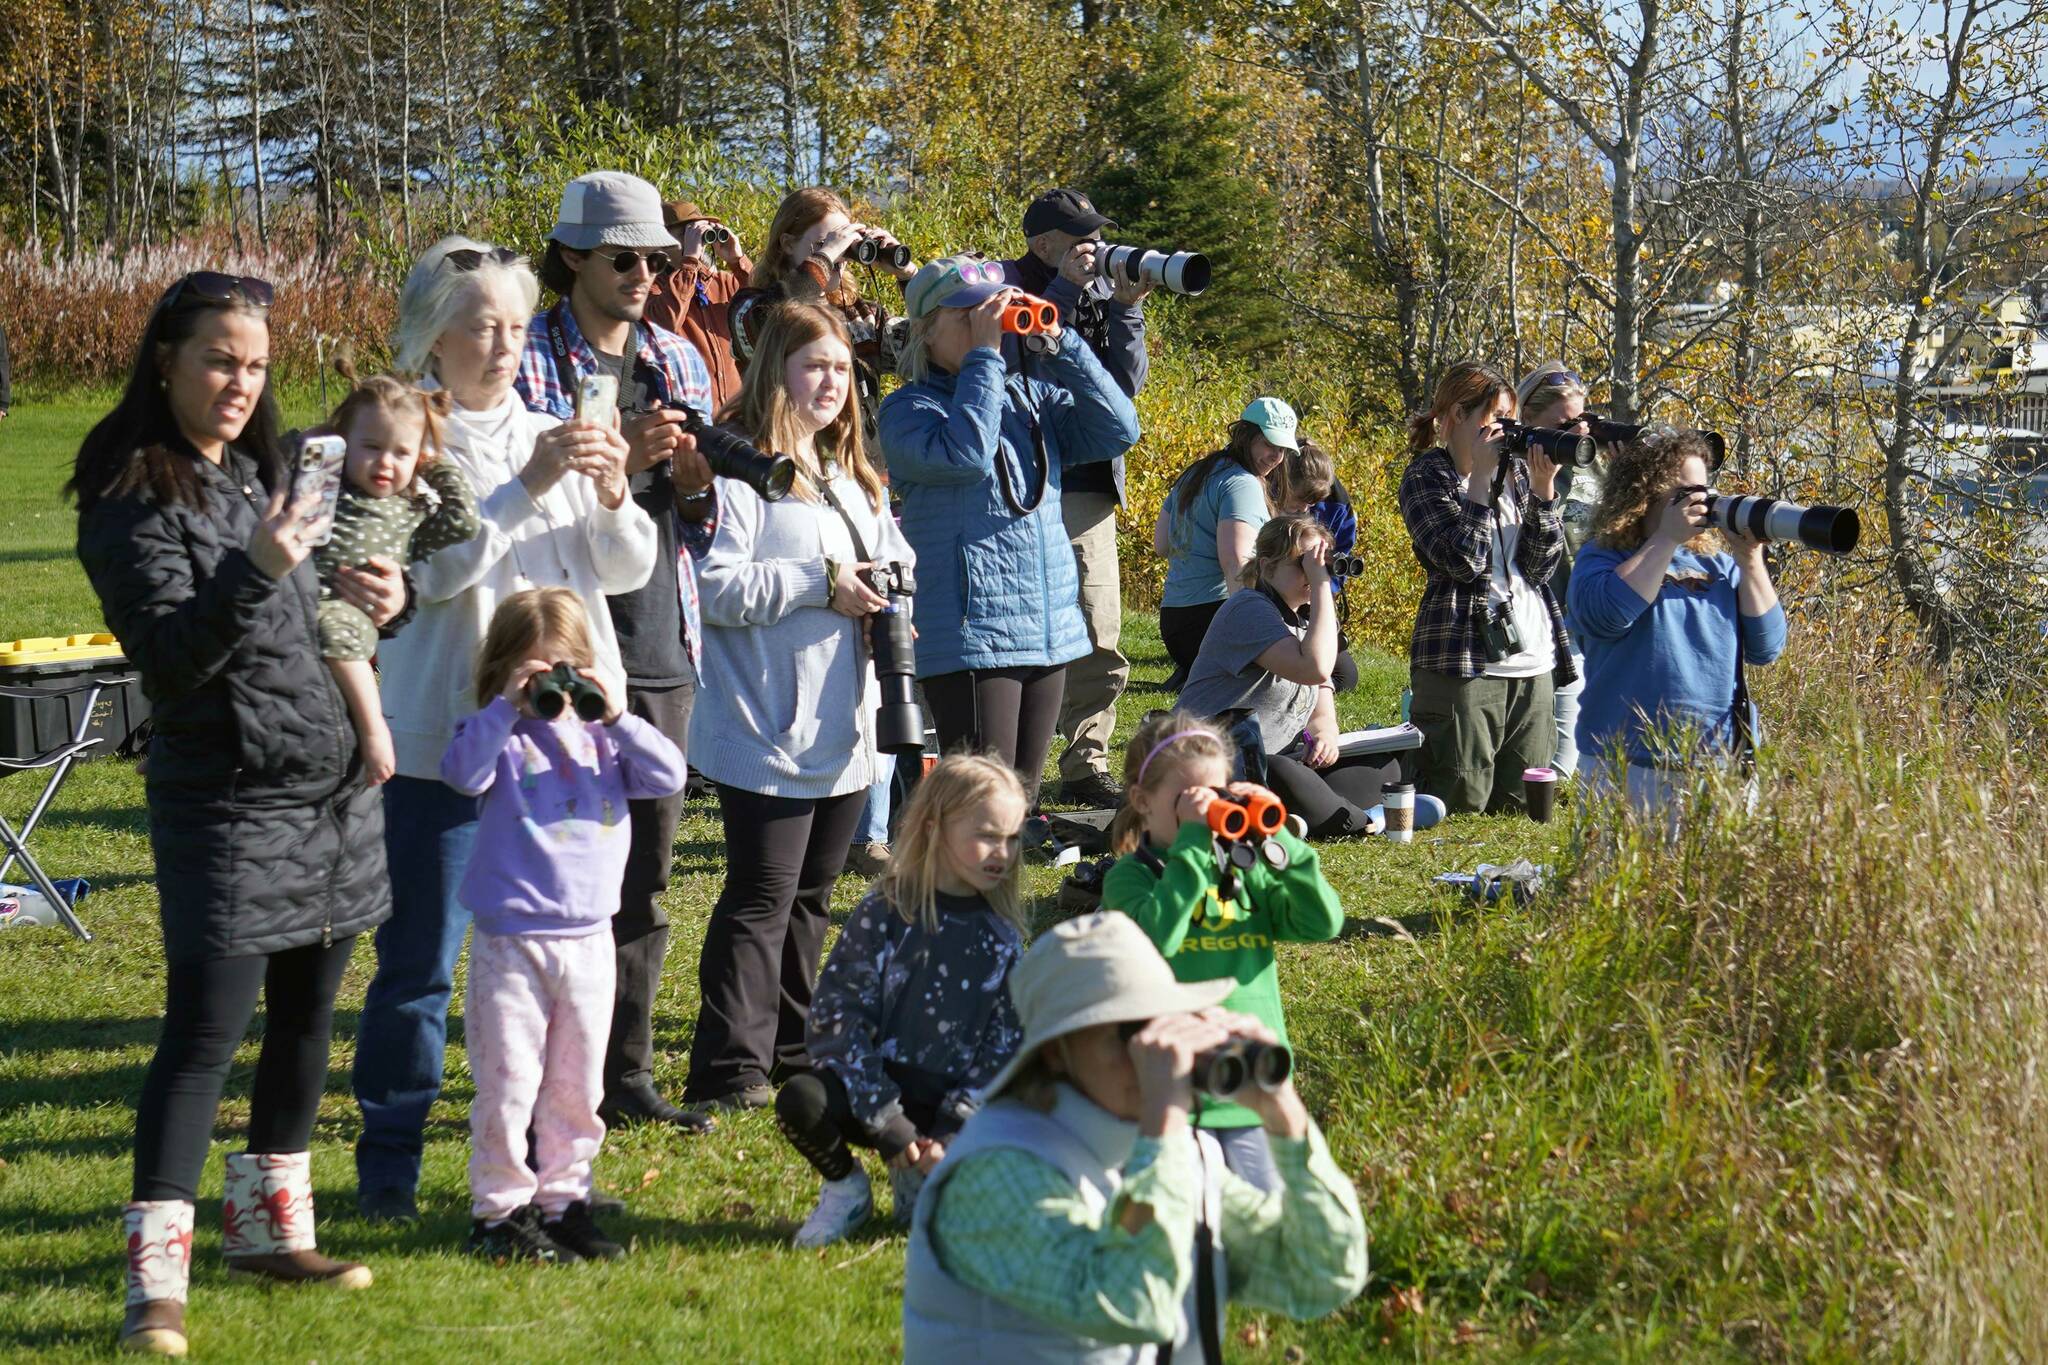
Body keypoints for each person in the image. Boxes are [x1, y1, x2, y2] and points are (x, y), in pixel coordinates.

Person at [71, 271, 404, 1355]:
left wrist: (370, 606)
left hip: (329, 786)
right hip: (225, 795)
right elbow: (169, 664)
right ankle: (152, 1289)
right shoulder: (131, 493)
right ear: (164, 356)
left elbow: (315, 621)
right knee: (205, 1034)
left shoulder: (263, 470)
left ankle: (268, 1236)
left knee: (309, 1019)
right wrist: (263, 565)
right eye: (219, 358)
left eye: (255, 365)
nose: (238, 382)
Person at [354, 236, 660, 1223]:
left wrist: (611, 494)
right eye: (479, 322)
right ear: (429, 334)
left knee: (566, 965)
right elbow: (428, 575)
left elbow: (622, 571)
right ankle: (390, 1167)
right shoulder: (412, 439)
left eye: (515, 325)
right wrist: (526, 485)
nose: (500, 342)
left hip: (567, 746)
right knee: (423, 966)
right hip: (449, 738)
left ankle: (549, 1176)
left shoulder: (555, 429)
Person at [901, 912, 1369, 1361]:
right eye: (1127, 1031)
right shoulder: (993, 1172)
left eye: (1162, 1024)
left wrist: (1283, 1115)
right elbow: (1132, 1302)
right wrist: (1164, 1119)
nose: (1152, 1052)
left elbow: (1318, 1277)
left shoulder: (1174, 1153)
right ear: (1056, 1053)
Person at [517, 171, 724, 1137]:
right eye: (624, 258)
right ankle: (539, 1079)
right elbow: (516, 499)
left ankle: (624, 1074)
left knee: (645, 877)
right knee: (556, 873)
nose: (646, 273)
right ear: (572, 259)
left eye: (658, 259)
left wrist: (688, 483)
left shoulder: (680, 360)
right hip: (557, 643)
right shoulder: (523, 359)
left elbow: (707, 529)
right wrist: (625, 459)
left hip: (661, 643)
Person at [682, 302, 915, 1112]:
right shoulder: (742, 467)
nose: (829, 382)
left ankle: (791, 1050)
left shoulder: (850, 473)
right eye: (814, 365)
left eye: (841, 368)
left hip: (846, 719)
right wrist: (819, 583)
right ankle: (726, 1070)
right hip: (763, 719)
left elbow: (895, 556)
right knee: (761, 894)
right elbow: (710, 585)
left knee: (813, 896)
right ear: (776, 365)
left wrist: (889, 579)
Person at [442, 588, 689, 1264]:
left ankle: (563, 1202)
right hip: (512, 940)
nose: (553, 686)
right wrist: (505, 705)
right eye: (536, 672)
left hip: (589, 937)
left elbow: (668, 775)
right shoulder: (495, 734)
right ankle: (498, 1213)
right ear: (505, 668)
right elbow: (461, 777)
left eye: (564, 671)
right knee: (509, 1080)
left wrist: (615, 712)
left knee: (579, 1085)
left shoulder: (605, 739)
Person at [879, 254, 1141, 808]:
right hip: (974, 636)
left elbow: (1119, 429)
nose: (989, 324)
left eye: (993, 312)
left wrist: (1061, 344)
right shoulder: (907, 410)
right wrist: (985, 358)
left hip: (1045, 629)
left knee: (1018, 804)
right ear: (926, 331)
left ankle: (994, 897)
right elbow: (969, 455)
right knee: (980, 802)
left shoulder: (1027, 398)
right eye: (969, 316)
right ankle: (945, 892)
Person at [775, 754, 1029, 1247]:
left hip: (956, 1110)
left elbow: (1005, 1048)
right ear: (934, 828)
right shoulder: (884, 913)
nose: (1002, 852)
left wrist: (953, 1128)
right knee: (801, 1100)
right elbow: (837, 1018)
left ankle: (932, 1180)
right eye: (986, 835)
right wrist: (886, 1119)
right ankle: (846, 1189)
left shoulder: (1002, 937)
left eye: (1013, 838)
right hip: (880, 1091)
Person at [1098, 713, 1343, 1190]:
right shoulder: (1130, 879)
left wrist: (1283, 845)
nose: (1208, 814)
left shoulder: (1244, 868)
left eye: (1220, 795)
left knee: (1265, 1219)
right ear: (1142, 802)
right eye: (1191, 802)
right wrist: (1192, 845)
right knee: (1181, 1222)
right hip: (1171, 1094)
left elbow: (1323, 923)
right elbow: (1157, 941)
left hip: (1253, 1086)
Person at [1003, 187, 1152, 807]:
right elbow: (1024, 365)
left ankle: (1086, 760)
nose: (1094, 248)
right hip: (1029, 480)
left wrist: (1125, 309)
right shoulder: (1006, 288)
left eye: (1096, 236)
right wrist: (1062, 291)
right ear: (1044, 245)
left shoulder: (1099, 293)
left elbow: (1125, 388)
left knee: (1099, 627)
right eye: (1080, 239)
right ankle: (1013, 768)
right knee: (1024, 629)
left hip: (1091, 483)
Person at [1568, 427, 1786, 828]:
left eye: (1704, 489)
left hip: (1716, 761)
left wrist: (1751, 560)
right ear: (1643, 493)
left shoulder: (1720, 568)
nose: (1701, 502)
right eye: (1686, 492)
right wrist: (1666, 539)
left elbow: (1767, 645)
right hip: (1625, 761)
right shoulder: (1601, 558)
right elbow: (1606, 615)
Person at [1179, 515, 1438, 837]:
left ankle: (1304, 818)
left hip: (1285, 759)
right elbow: (1312, 668)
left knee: (1381, 764)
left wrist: (1325, 734)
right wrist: (1320, 587)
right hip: (1214, 760)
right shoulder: (1247, 608)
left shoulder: (1305, 621)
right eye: (1303, 563)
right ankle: (1368, 819)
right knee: (1280, 771)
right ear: (1266, 566)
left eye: (1320, 564)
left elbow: (1321, 703)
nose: (1314, 573)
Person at [1397, 360, 1573, 816]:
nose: (1504, 433)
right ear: (1457, 414)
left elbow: (1539, 566)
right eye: (1494, 419)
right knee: (1458, 805)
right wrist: (1478, 480)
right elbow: (1461, 561)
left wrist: (1543, 489)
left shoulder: (1516, 476)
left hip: (1532, 663)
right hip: (1462, 666)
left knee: (1525, 813)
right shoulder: (1426, 476)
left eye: (1508, 421)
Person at [312, 372, 482, 784]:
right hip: (288, 605)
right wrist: (320, 441)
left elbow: (463, 520)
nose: (385, 462)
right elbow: (277, 468)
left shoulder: (410, 515)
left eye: (401, 453)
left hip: (341, 618)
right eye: (371, 447)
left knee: (337, 625)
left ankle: (373, 731)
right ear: (346, 442)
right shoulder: (325, 485)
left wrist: (435, 464)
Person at [728, 186, 917, 434]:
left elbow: (934, 347)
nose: (840, 256)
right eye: (823, 243)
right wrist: (825, 256)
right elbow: (770, 321)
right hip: (789, 459)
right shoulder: (750, 307)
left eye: (845, 246)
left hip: (856, 466)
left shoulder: (861, 316)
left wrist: (911, 277)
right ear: (787, 243)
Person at [1156, 398, 1293, 683]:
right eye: (1270, 444)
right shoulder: (1241, 483)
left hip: (1174, 622)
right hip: (1209, 623)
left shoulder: (1196, 472)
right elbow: (1235, 564)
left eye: (1282, 449)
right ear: (1246, 435)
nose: (1276, 456)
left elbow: (1161, 545)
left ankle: (1193, 672)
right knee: (1337, 672)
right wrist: (1252, 631)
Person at [1515, 362, 1599, 778]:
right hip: (1549, 631)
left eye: (1582, 421)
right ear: (1527, 421)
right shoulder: (1511, 473)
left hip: (1598, 626)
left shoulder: (1592, 471)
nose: (1578, 434)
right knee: (1562, 769)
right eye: (1564, 425)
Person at [1270, 439, 1361, 694]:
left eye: (1314, 501)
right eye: (1301, 499)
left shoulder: (1337, 502)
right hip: (1271, 593)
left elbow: (1344, 545)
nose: (1305, 508)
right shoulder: (1264, 490)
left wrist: (1324, 588)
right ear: (1284, 482)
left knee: (1345, 676)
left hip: (1310, 592)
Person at [646, 198, 752, 412]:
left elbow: (768, 305)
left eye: (698, 233)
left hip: (735, 418)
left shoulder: (725, 282)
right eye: (685, 234)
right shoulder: (652, 288)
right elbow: (663, 324)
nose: (696, 241)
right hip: (690, 422)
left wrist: (737, 260)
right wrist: (689, 262)